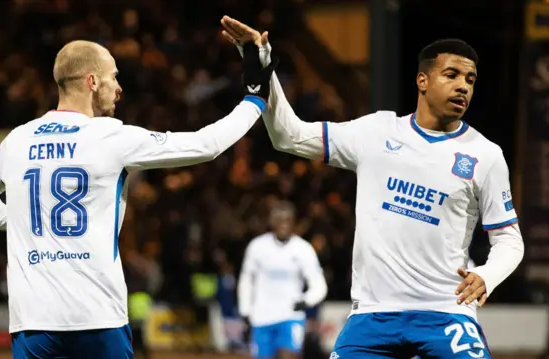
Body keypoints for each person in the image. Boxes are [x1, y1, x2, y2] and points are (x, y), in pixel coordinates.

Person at [221, 16, 524, 358]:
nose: (463, 87)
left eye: (470, 79)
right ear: (422, 80)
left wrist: (487, 275)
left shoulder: (485, 154)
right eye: (451, 75)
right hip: (371, 317)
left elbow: (509, 240)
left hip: (446, 312)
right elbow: (288, 136)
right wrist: (262, 66)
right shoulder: (376, 132)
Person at [0, 39, 277, 359]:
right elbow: (205, 145)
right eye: (113, 76)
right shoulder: (111, 138)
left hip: (32, 321)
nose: (119, 88)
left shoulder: (17, 140)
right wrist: (254, 98)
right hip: (97, 318)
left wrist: (18, 221)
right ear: (92, 81)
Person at [238, 201, 328, 359]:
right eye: (279, 219)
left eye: (288, 220)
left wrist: (306, 301)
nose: (284, 224)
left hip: (290, 316)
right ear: (272, 222)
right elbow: (246, 280)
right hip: (261, 317)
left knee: (289, 356)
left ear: (294, 222)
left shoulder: (303, 249)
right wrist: (245, 310)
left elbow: (318, 284)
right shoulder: (257, 247)